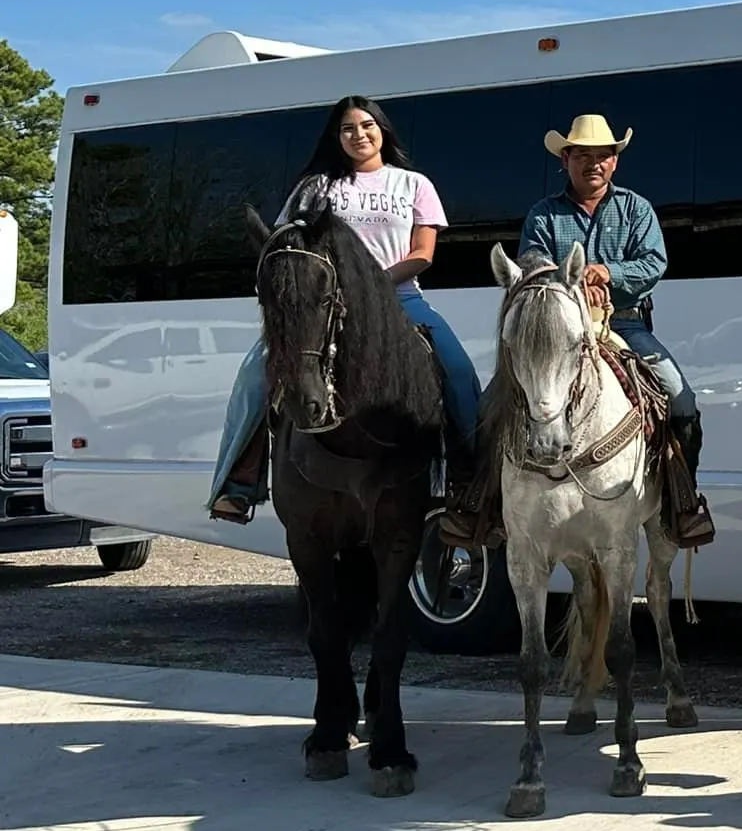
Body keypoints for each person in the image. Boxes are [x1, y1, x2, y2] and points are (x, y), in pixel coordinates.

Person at [208, 95, 482, 523]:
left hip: (400, 299)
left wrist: (368, 288)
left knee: (459, 372)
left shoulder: (413, 185)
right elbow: (288, 247)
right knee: (253, 376)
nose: (360, 135)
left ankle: (469, 483)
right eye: (348, 128)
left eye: (367, 126)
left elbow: (423, 253)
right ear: (337, 137)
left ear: (383, 130)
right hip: (320, 309)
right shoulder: (315, 187)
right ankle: (239, 484)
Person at [505, 113, 708, 544]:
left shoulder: (636, 209)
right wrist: (573, 285)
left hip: (624, 325)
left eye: (603, 155)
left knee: (681, 400)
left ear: (615, 161)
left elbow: (654, 263)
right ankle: (480, 504)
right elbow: (531, 268)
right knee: (495, 403)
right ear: (566, 160)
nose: (593, 163)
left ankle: (682, 502)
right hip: (558, 332)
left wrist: (606, 274)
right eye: (583, 155)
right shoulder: (543, 215)